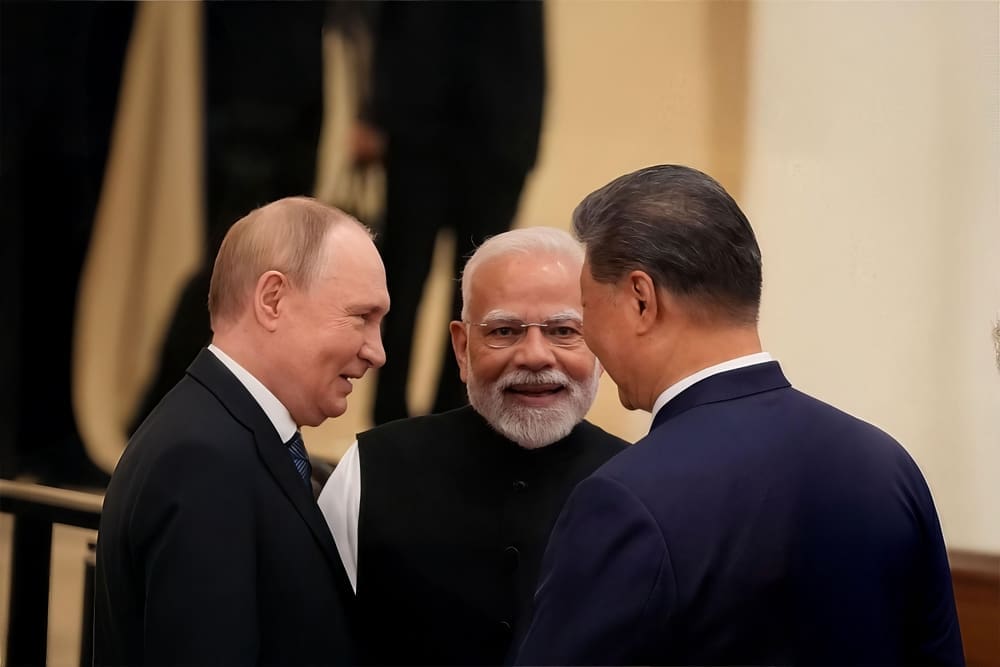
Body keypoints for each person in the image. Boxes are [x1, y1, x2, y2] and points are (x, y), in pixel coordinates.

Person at [514, 165, 965, 666]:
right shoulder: (887, 465)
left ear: (642, 300)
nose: (589, 336)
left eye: (586, 307)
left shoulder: (624, 500)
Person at [94, 197, 388, 665]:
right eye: (361, 317)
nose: (377, 352)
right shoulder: (202, 461)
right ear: (273, 300)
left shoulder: (228, 433)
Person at [318, 226, 626, 665]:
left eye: (563, 331)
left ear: (600, 344)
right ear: (462, 348)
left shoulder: (639, 485)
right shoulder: (372, 470)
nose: (535, 356)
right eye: (504, 331)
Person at [357, 1, 547, 424]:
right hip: (417, 133)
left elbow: (529, 41)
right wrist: (373, 115)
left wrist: (524, 146)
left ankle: (453, 416)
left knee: (476, 291)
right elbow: (390, 23)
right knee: (400, 284)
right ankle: (387, 422)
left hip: (494, 141)